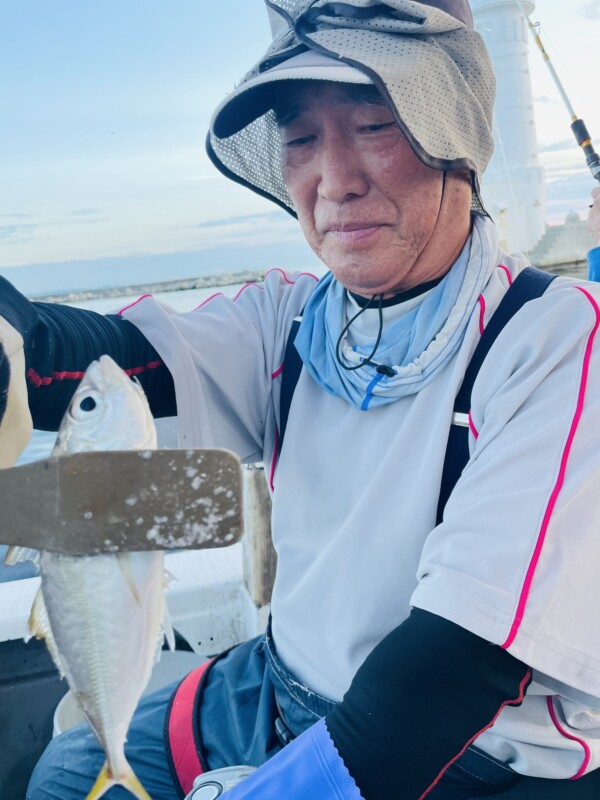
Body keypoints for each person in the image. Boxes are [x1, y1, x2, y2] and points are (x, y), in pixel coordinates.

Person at [2, 1, 600, 797]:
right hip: (280, 685)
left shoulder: (555, 342)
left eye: (375, 126)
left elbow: (454, 671)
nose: (335, 179)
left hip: (472, 747)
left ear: (453, 137)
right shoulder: (291, 320)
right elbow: (108, 370)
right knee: (68, 776)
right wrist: (16, 336)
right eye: (300, 139)